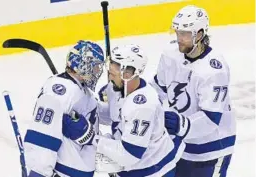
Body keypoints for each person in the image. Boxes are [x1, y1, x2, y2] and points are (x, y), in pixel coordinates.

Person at [150, 5, 236, 177]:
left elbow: (212, 120)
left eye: (185, 34)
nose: (179, 38)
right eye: (178, 32)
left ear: (200, 34)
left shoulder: (214, 70)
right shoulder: (170, 55)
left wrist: (181, 124)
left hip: (213, 148)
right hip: (181, 145)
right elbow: (157, 90)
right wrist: (130, 95)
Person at [78, 44, 185, 177]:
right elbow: (115, 116)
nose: (110, 78)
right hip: (132, 166)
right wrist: (90, 107)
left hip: (153, 170)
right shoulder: (116, 88)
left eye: (113, 73)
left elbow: (130, 154)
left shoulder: (142, 106)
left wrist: (91, 137)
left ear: (129, 73)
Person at [24, 40, 105, 177]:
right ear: (83, 65)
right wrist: (39, 173)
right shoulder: (61, 90)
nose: (98, 72)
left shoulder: (82, 90)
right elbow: (44, 133)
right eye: (95, 67)